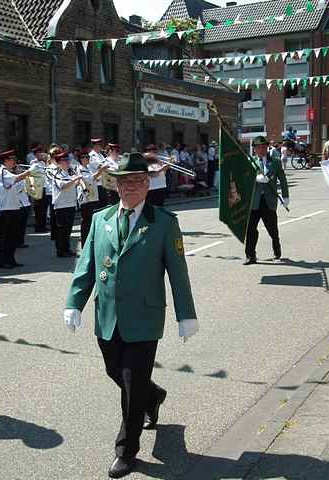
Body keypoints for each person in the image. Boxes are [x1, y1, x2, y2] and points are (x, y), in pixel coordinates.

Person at [64, 152, 198, 478]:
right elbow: (87, 267)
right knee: (116, 372)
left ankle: (126, 450)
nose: (130, 187)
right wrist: (74, 303)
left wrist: (186, 314)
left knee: (131, 383)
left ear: (148, 184)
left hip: (145, 318)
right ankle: (154, 396)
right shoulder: (101, 219)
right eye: (124, 182)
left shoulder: (164, 222)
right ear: (116, 185)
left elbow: (177, 272)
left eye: (137, 181)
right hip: (107, 316)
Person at [244, 135, 289, 265]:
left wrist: (285, 196)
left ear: (267, 147)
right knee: (250, 229)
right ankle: (250, 256)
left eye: (264, 147)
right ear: (255, 149)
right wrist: (255, 179)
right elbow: (245, 179)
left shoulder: (275, 161)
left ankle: (277, 252)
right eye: (258, 147)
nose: (261, 150)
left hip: (269, 201)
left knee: (272, 229)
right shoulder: (251, 161)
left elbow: (283, 179)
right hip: (255, 201)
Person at [0, 150, 31, 269]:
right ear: (5, 161)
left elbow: (18, 185)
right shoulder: (3, 172)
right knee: (5, 237)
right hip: (6, 209)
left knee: (13, 237)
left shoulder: (8, 172)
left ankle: (11, 259)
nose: (14, 162)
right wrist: (30, 171)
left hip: (14, 207)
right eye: (12, 160)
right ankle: (3, 261)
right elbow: (16, 179)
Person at [51, 152, 80, 257]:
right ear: (59, 163)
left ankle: (67, 249)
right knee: (61, 230)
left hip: (70, 204)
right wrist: (75, 179)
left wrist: (77, 180)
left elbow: (74, 184)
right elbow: (63, 186)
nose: (68, 163)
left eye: (68, 160)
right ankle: (60, 251)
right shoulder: (57, 174)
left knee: (68, 229)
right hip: (61, 205)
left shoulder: (69, 173)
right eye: (65, 161)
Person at [77, 150, 107, 247]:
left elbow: (93, 178)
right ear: (80, 159)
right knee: (86, 221)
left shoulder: (88, 168)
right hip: (86, 198)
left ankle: (89, 242)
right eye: (83, 157)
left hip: (92, 197)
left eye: (87, 157)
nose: (86, 159)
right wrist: (101, 170)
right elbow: (89, 179)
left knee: (90, 221)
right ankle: (84, 243)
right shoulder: (80, 168)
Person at [31, 147, 50, 233]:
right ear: (35, 155)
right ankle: (38, 226)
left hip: (44, 187)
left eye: (41, 153)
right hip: (38, 187)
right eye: (38, 153)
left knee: (44, 208)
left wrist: (46, 161)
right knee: (38, 208)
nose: (41, 155)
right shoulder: (33, 163)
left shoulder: (43, 162)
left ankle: (43, 225)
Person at [88, 138, 108, 208]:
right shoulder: (91, 155)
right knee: (98, 205)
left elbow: (106, 164)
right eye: (98, 145)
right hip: (96, 184)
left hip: (103, 182)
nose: (100, 147)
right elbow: (100, 166)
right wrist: (106, 165)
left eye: (100, 145)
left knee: (104, 203)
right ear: (95, 146)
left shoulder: (100, 155)